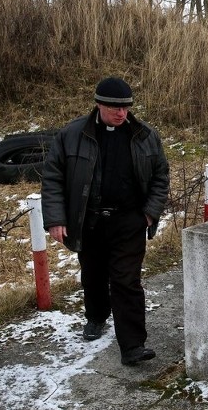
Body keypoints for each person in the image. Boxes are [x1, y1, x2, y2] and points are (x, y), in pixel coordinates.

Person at [41, 77, 170, 366]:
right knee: (93, 274)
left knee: (127, 281)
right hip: (90, 220)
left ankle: (133, 346)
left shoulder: (145, 135)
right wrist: (56, 218)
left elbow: (161, 175)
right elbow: (53, 177)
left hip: (129, 220)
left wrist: (149, 212)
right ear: (99, 104)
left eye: (126, 108)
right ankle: (96, 316)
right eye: (115, 107)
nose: (121, 114)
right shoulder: (72, 134)